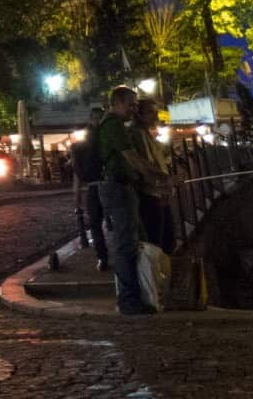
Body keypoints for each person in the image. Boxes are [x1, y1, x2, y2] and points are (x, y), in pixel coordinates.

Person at [97, 86, 154, 316]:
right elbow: (132, 158)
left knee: (134, 240)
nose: (134, 109)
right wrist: (159, 177)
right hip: (118, 187)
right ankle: (129, 300)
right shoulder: (113, 126)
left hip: (120, 186)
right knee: (126, 244)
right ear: (118, 103)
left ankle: (136, 296)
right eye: (131, 104)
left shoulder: (114, 126)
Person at [133, 99, 175, 254]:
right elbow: (146, 165)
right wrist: (162, 184)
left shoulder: (146, 134)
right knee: (159, 240)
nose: (155, 115)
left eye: (155, 111)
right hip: (152, 194)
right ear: (140, 115)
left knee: (165, 238)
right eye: (150, 112)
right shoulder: (139, 134)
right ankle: (158, 274)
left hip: (157, 192)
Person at [71, 106, 109, 271]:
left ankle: (104, 256)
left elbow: (78, 170)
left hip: (105, 185)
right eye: (95, 118)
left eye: (99, 118)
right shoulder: (87, 144)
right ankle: (102, 256)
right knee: (96, 223)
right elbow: (78, 170)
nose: (97, 121)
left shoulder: (101, 139)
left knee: (100, 223)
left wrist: (77, 193)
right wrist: (77, 193)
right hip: (98, 186)